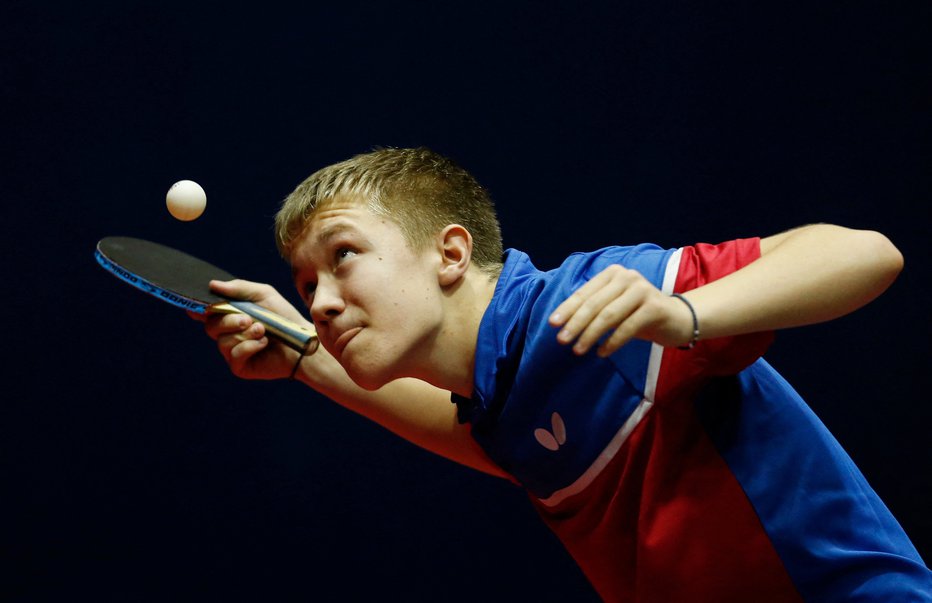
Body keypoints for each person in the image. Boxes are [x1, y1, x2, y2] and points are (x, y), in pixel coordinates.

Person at [194, 147, 931, 602]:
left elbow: (865, 253)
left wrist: (685, 313)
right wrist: (302, 355)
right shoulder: (504, 398)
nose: (319, 301)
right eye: (304, 284)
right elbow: (478, 438)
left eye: (342, 254)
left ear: (450, 253)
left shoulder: (589, 304)